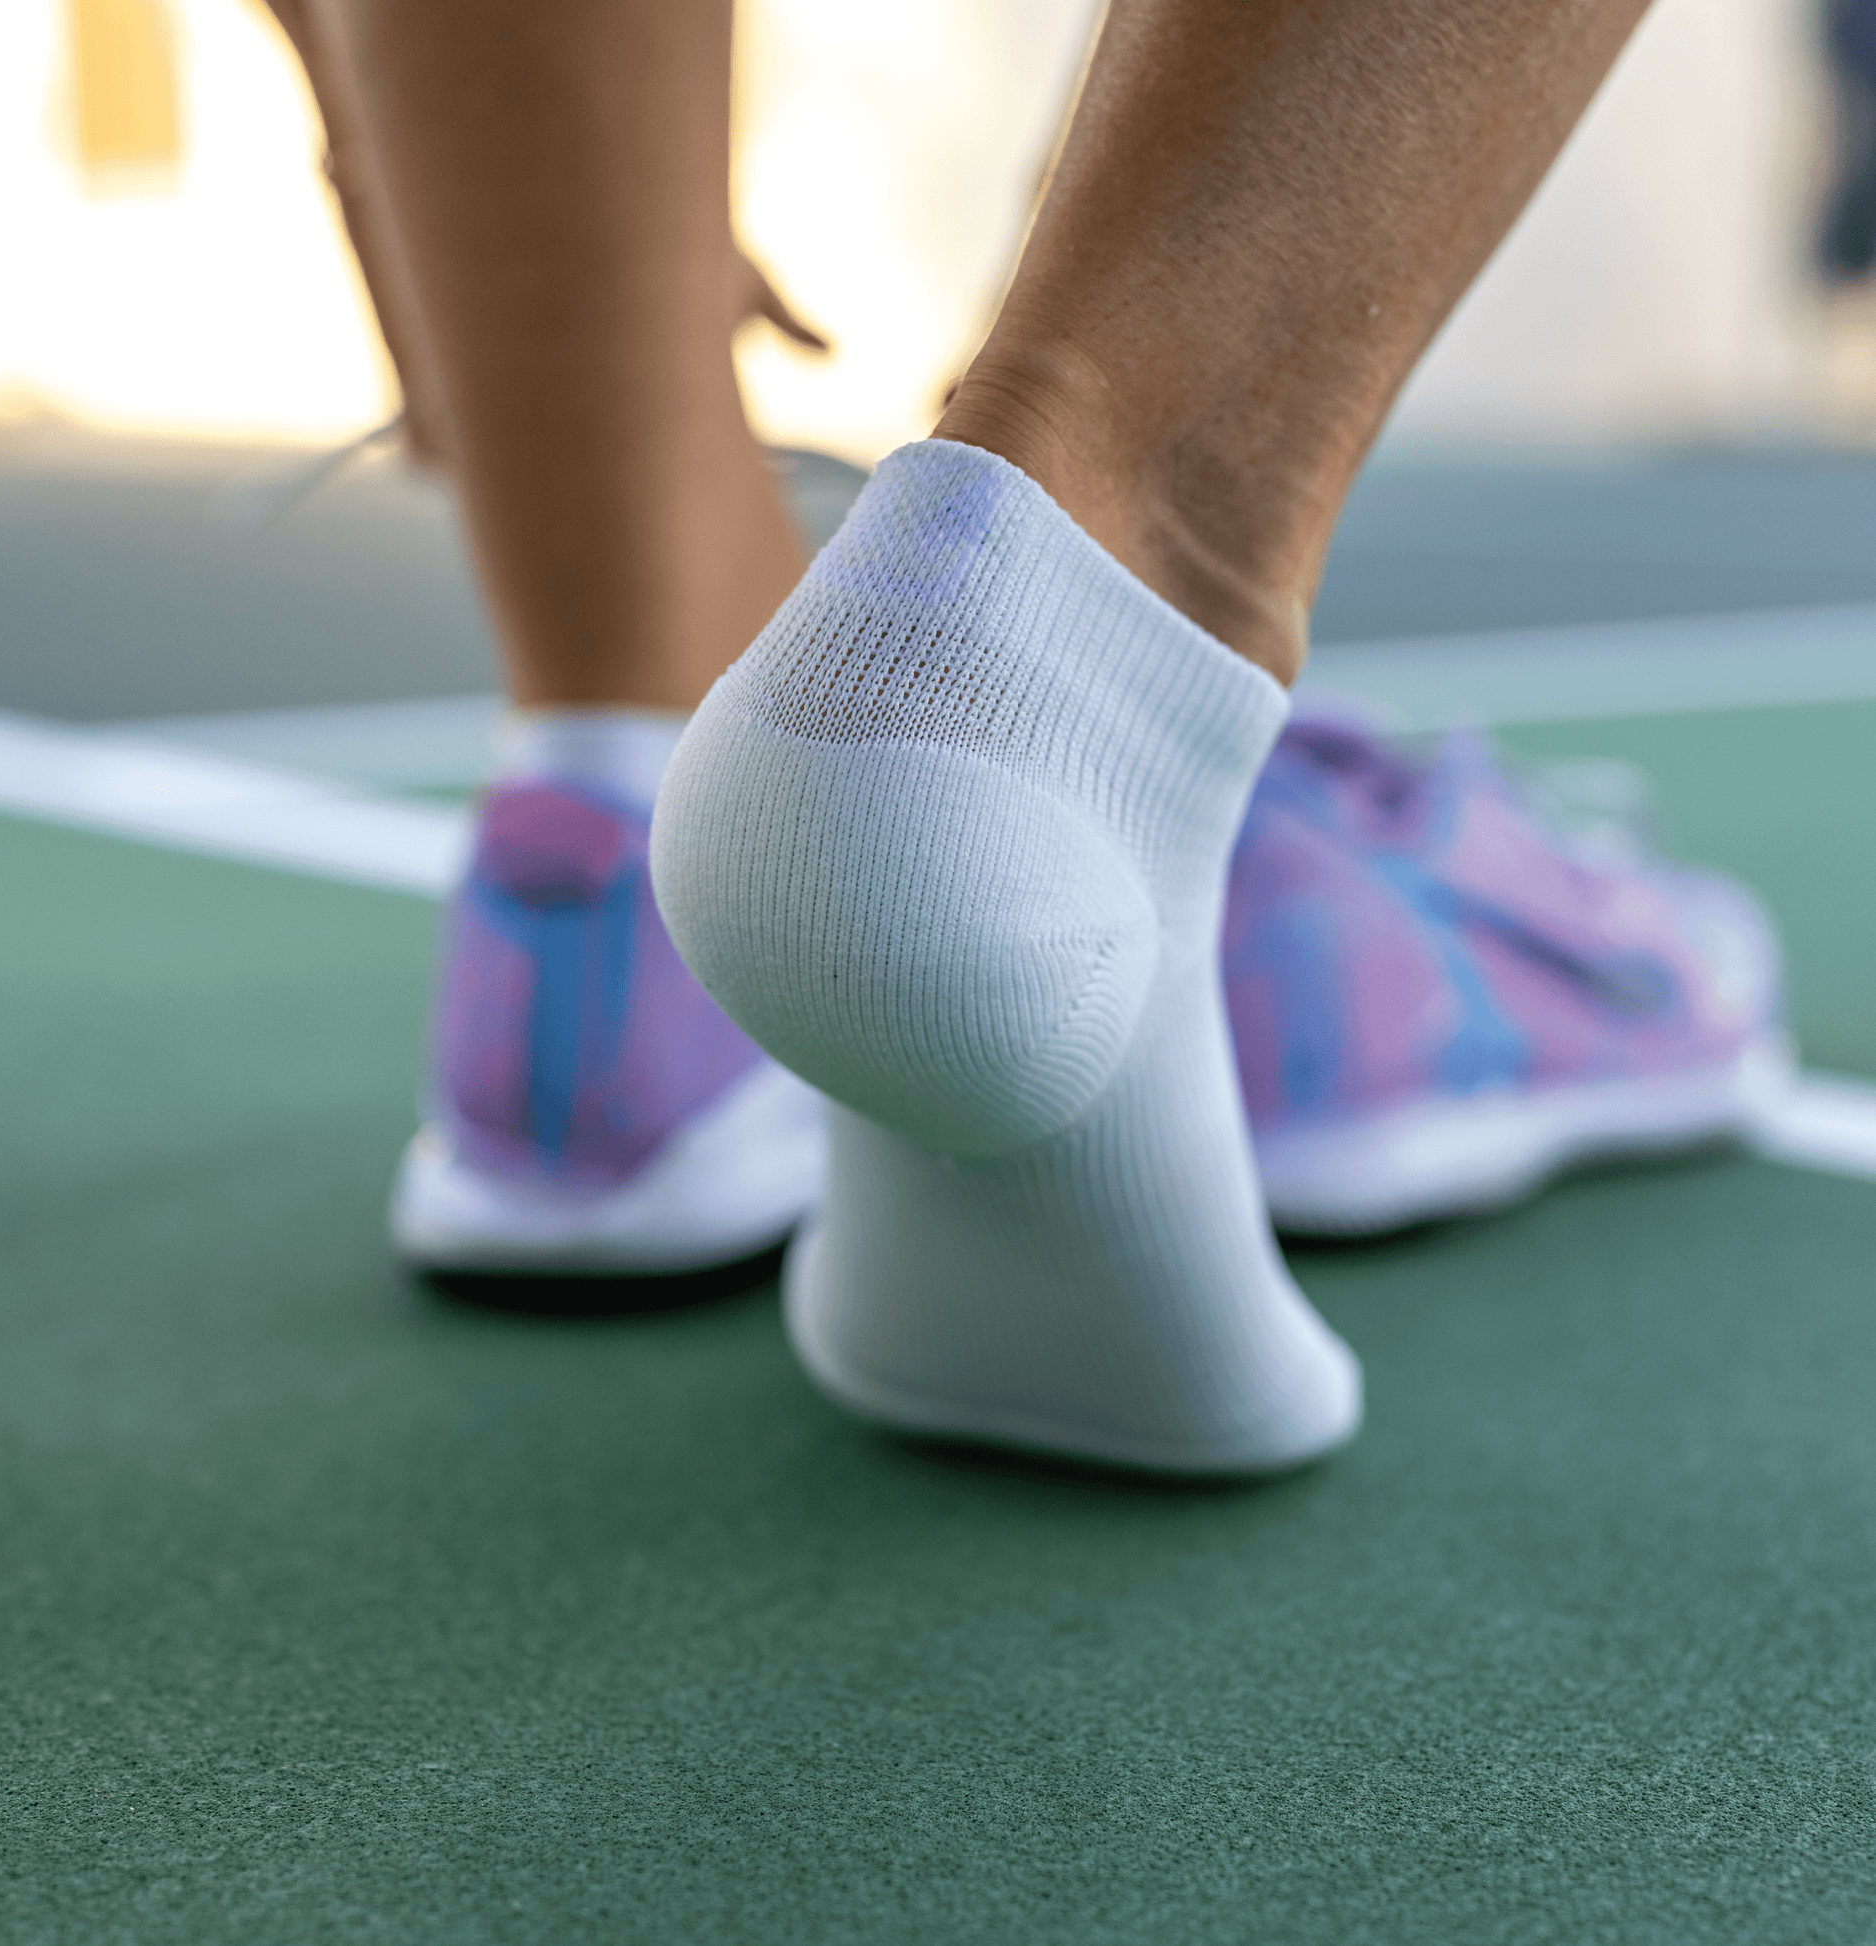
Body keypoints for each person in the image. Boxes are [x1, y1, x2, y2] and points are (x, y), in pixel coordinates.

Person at [260, 0, 1786, 1473]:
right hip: (1006, 817)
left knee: (651, 697)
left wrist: (396, 150)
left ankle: (614, 837)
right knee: (1060, 594)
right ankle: (1061, 673)